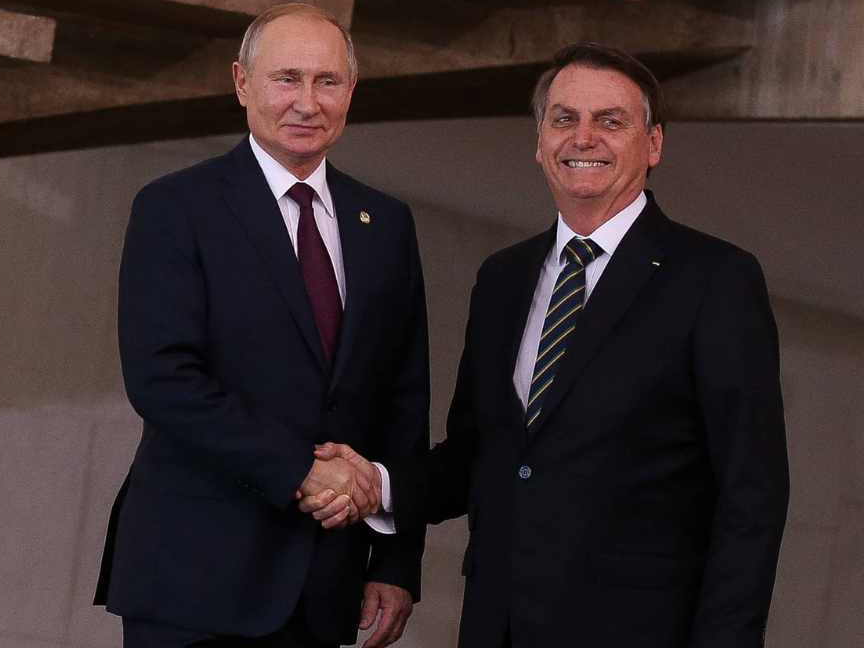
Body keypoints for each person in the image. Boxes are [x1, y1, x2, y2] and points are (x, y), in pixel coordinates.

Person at [305, 43, 790, 648]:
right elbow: (478, 453)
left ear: (654, 143)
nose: (583, 138)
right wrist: (379, 483)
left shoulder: (715, 278)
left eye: (610, 121)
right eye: (564, 119)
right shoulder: (503, 278)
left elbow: (753, 495)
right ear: (540, 143)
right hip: (496, 623)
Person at [94, 3, 432, 648]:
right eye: (287, 79)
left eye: (327, 82)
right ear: (242, 83)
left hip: (325, 583)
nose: (307, 102)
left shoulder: (386, 224)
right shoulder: (176, 207)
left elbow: (403, 402)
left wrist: (396, 562)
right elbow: (164, 379)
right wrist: (301, 471)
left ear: (351, 93)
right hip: (195, 576)